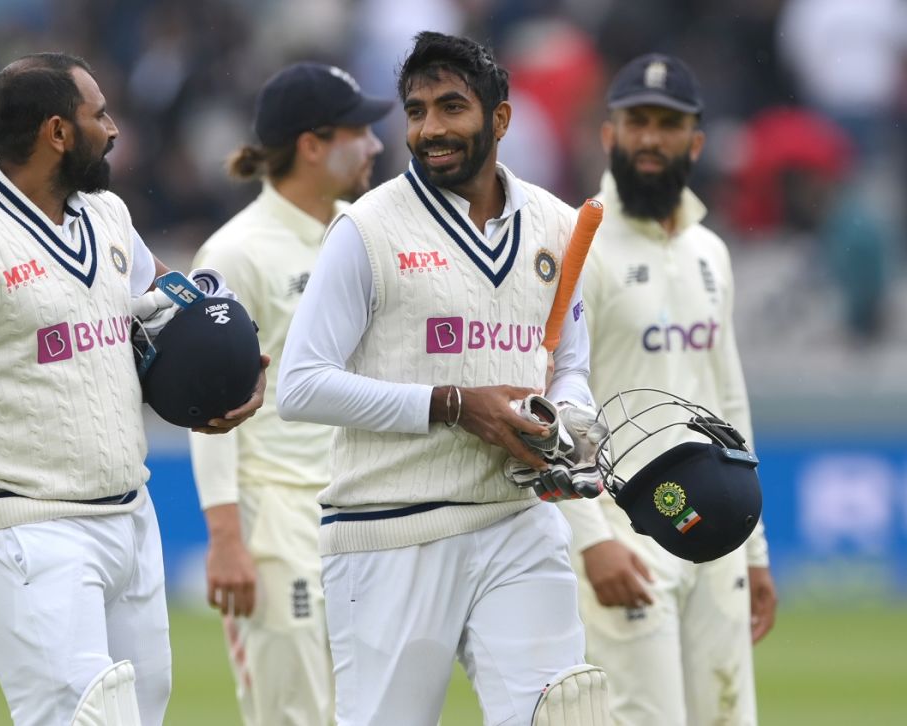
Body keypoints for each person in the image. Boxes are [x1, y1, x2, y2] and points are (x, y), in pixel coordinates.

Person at [0, 52, 265, 726]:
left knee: (140, 715)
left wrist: (234, 364)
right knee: (88, 718)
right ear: (58, 132)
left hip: (130, 514)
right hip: (24, 526)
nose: (115, 129)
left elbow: (169, 302)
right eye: (100, 115)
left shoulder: (107, 215)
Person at [278, 32, 609, 726]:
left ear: (500, 118)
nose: (430, 129)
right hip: (391, 529)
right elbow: (301, 385)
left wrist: (568, 420)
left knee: (563, 714)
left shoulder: (556, 224)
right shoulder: (366, 229)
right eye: (417, 110)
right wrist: (455, 405)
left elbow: (570, 366)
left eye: (452, 107)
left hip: (517, 520)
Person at [557, 53, 778, 726]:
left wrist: (755, 548)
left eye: (668, 124)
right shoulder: (578, 243)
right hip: (627, 527)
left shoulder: (710, 251)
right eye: (637, 122)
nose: (650, 138)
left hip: (718, 530)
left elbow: (728, 400)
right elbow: (553, 401)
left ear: (696, 141)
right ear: (609, 134)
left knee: (726, 717)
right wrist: (590, 540)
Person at [188, 61, 391, 726]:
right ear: (312, 145)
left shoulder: (366, 234)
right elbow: (206, 405)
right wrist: (226, 539)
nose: (376, 145)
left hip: (363, 509)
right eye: (359, 131)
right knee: (294, 715)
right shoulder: (236, 252)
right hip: (273, 518)